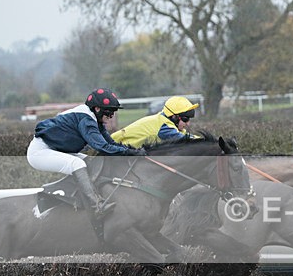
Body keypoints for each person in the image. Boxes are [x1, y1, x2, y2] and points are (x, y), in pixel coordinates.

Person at [27, 88, 146, 221]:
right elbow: (103, 147)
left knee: (90, 162)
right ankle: (96, 207)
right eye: (108, 112)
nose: (111, 116)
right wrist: (129, 152)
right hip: (40, 152)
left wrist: (131, 151)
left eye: (113, 112)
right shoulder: (86, 120)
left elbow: (111, 143)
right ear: (96, 109)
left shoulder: (95, 119)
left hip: (55, 148)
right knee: (77, 164)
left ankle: (88, 197)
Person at [111, 95, 201, 148]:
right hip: (115, 150)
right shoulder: (164, 129)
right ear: (174, 116)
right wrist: (207, 141)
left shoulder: (163, 118)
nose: (188, 123)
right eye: (185, 119)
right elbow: (185, 139)